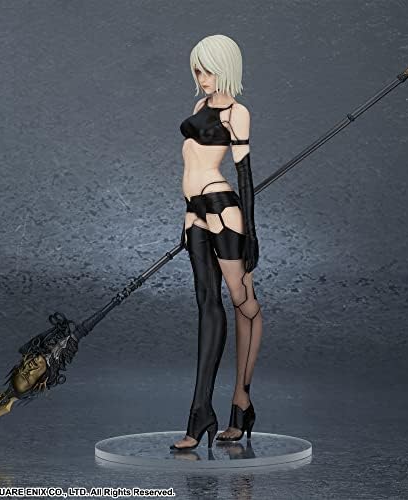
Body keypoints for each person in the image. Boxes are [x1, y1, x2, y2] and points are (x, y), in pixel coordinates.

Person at [170, 34, 263, 451]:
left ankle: (241, 401)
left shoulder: (237, 114)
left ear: (226, 68)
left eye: (208, 69)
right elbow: (190, 166)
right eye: (198, 69)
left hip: (223, 210)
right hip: (195, 211)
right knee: (207, 304)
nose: (202, 77)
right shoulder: (199, 108)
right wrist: (187, 217)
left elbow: (245, 176)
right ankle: (201, 411)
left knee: (244, 302)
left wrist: (252, 234)